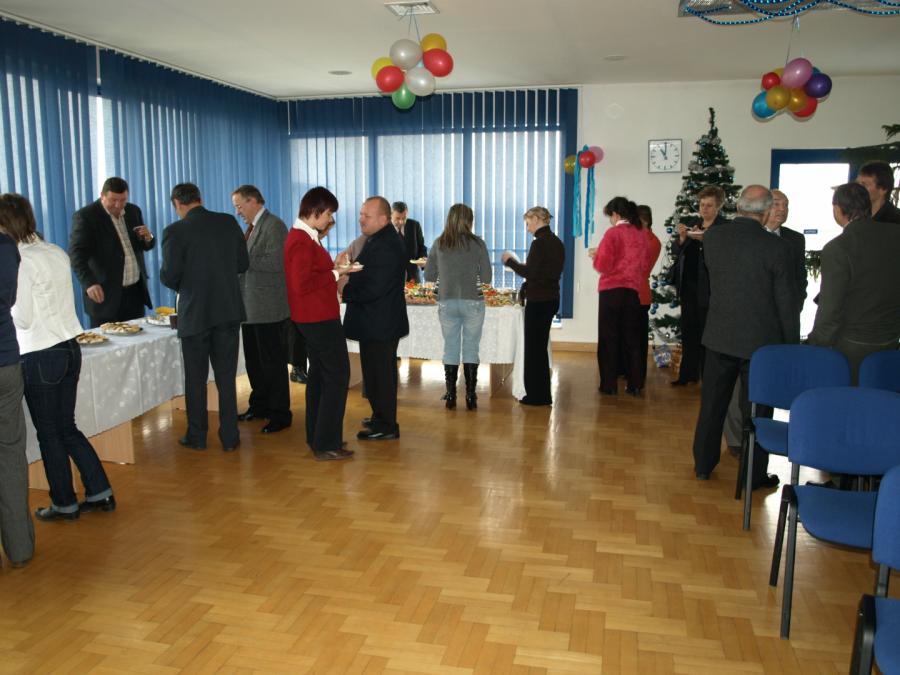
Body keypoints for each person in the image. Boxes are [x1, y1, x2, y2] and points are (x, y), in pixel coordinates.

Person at [5, 194, 116, 522]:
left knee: (49, 433)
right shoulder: (53, 250)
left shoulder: (19, 258)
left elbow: (23, 318)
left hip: (40, 353)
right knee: (66, 427)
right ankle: (99, 490)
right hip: (69, 346)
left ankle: (64, 502)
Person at [691, 185, 798, 487]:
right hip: (760, 344)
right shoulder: (778, 248)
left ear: (738, 208)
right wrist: (791, 345)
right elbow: (786, 303)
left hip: (719, 337)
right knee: (756, 412)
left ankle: (703, 464)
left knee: (712, 405)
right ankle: (753, 475)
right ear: (765, 212)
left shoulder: (713, 238)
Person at [160, 183, 249, 452]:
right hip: (227, 310)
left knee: (196, 379)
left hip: (195, 314)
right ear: (200, 199)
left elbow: (170, 276)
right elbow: (242, 264)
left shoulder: (175, 231)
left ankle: (197, 436)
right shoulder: (228, 222)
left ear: (178, 203)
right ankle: (230, 437)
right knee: (226, 378)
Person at [285, 187, 357, 461]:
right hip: (317, 318)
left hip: (314, 317)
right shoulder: (301, 240)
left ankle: (318, 437)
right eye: (328, 214)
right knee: (337, 377)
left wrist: (334, 267)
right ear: (316, 211)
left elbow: (312, 274)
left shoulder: (305, 237)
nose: (330, 219)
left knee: (319, 378)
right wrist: (336, 272)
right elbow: (302, 284)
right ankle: (327, 442)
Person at [808, 182, 900, 381]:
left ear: (837, 209)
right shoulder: (896, 235)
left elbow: (830, 309)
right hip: (892, 340)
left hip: (852, 347)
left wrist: (814, 344)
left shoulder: (838, 248)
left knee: (849, 399)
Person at [343, 197, 409, 440]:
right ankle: (380, 416)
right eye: (361, 214)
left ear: (383, 219)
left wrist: (344, 286)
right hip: (377, 321)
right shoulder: (380, 239)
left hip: (379, 322)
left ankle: (386, 425)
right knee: (376, 374)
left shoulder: (386, 245)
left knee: (380, 376)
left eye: (366, 216)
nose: (361, 219)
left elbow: (373, 288)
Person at [231, 185, 292, 434]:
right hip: (250, 308)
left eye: (239, 206)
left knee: (272, 364)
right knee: (255, 363)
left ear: (253, 201)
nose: (237, 212)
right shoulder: (252, 228)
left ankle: (280, 414)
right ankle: (259, 405)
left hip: (269, 309)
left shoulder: (274, 225)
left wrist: (241, 258)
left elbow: (276, 262)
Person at [424, 204, 492, 410]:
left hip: (446, 300)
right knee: (471, 347)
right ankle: (471, 396)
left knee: (450, 347)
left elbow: (429, 275)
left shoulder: (439, 243)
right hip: (473, 301)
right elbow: (487, 277)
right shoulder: (478, 243)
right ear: (469, 221)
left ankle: (451, 395)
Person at [69, 177, 156, 328]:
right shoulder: (86, 216)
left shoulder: (133, 211)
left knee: (139, 339)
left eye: (123, 200)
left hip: (135, 293)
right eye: (113, 200)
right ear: (102, 196)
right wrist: (89, 283)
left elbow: (144, 245)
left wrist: (149, 238)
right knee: (108, 341)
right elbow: (76, 255)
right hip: (105, 296)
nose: (118, 205)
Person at [502, 206, 565, 406]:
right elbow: (543, 274)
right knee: (539, 348)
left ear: (537, 219)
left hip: (539, 302)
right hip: (551, 299)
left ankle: (536, 396)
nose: (528, 228)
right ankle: (542, 394)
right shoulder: (557, 242)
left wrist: (510, 262)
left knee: (533, 350)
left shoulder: (539, 244)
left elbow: (530, 272)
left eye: (528, 223)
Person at [590, 197, 651, 396]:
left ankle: (609, 385)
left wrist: (596, 256)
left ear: (616, 214)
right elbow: (644, 265)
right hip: (632, 292)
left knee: (609, 339)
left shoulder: (613, 233)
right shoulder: (642, 234)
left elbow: (603, 265)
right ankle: (635, 384)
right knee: (632, 340)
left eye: (610, 215)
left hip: (611, 292)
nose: (610, 219)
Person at [0, 207, 33, 565]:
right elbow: (9, 301)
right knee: (10, 454)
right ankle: (20, 547)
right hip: (7, 361)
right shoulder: (8, 248)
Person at [670, 185, 728, 386]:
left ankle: (707, 377)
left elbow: (724, 256)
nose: (704, 209)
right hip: (689, 288)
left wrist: (706, 240)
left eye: (709, 205)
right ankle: (687, 374)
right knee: (689, 331)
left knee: (707, 334)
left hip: (710, 291)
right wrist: (682, 238)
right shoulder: (694, 225)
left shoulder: (723, 228)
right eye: (702, 204)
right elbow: (677, 252)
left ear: (718, 206)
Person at [636, 205, 662, 388]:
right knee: (633, 337)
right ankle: (631, 371)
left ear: (643, 220)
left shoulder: (649, 241)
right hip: (636, 292)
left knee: (637, 338)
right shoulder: (647, 239)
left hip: (638, 293)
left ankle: (637, 374)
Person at [392, 201, 427, 282]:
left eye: (404, 218)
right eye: (397, 218)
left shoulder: (415, 225)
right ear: (391, 215)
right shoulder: (384, 229)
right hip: (392, 276)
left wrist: (423, 258)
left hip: (413, 275)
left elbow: (421, 246)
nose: (401, 222)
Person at [856, 160, 900, 224]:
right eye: (857, 184)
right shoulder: (857, 218)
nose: (857, 189)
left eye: (864, 185)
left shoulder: (896, 220)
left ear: (883, 189)